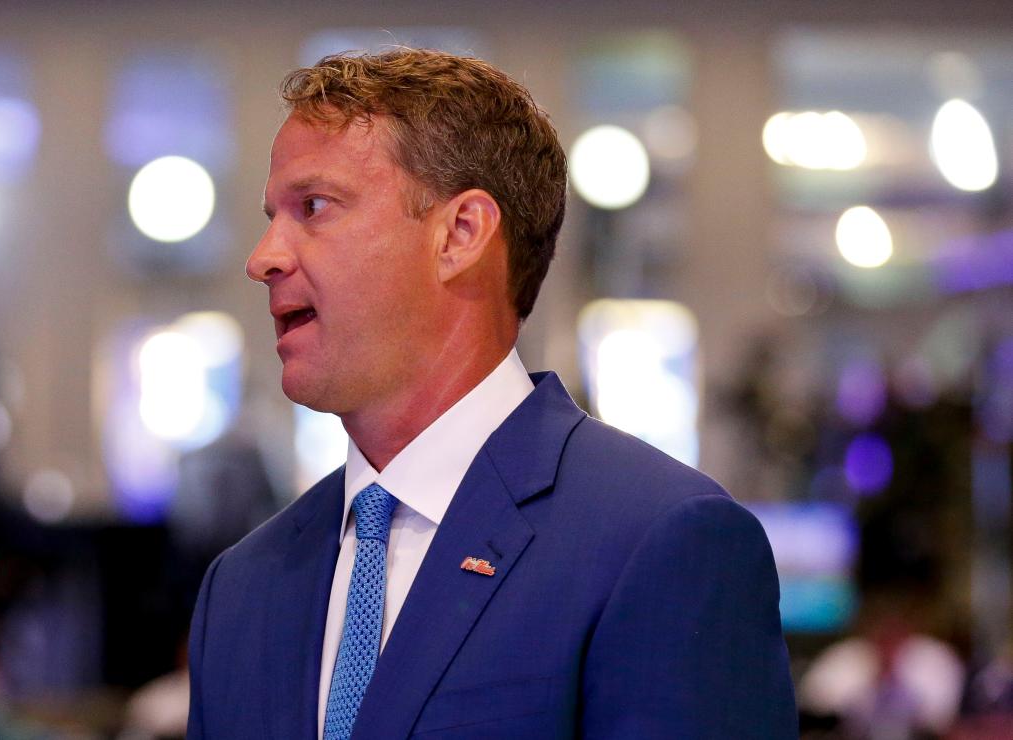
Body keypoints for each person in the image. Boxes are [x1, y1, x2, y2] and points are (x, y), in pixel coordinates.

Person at [186, 48, 796, 739]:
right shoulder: (241, 588)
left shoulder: (660, 542)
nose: (263, 257)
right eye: (272, 215)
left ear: (462, 234)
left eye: (314, 207)